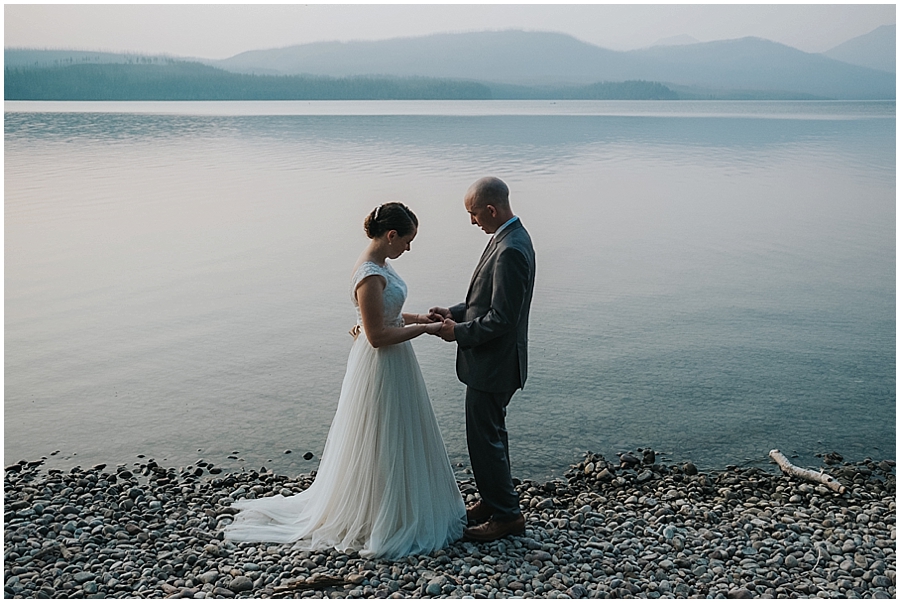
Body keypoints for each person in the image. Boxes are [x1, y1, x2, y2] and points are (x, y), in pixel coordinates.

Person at [224, 202, 466, 558]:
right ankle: (379, 513)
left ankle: (399, 502)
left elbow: (390, 313)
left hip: (398, 362)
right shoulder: (369, 275)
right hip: (381, 364)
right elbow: (376, 335)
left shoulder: (383, 265)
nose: (409, 249)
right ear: (391, 235)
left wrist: (419, 315)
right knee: (382, 434)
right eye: (407, 241)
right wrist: (426, 329)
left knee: (398, 432)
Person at [429, 176, 536, 542]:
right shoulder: (506, 238)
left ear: (491, 209)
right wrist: (456, 312)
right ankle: (494, 502)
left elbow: (502, 319)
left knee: (484, 440)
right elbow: (485, 303)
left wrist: (456, 333)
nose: (472, 221)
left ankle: (507, 515)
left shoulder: (511, 250)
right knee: (491, 436)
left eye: (473, 214)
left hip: (495, 365)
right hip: (493, 363)